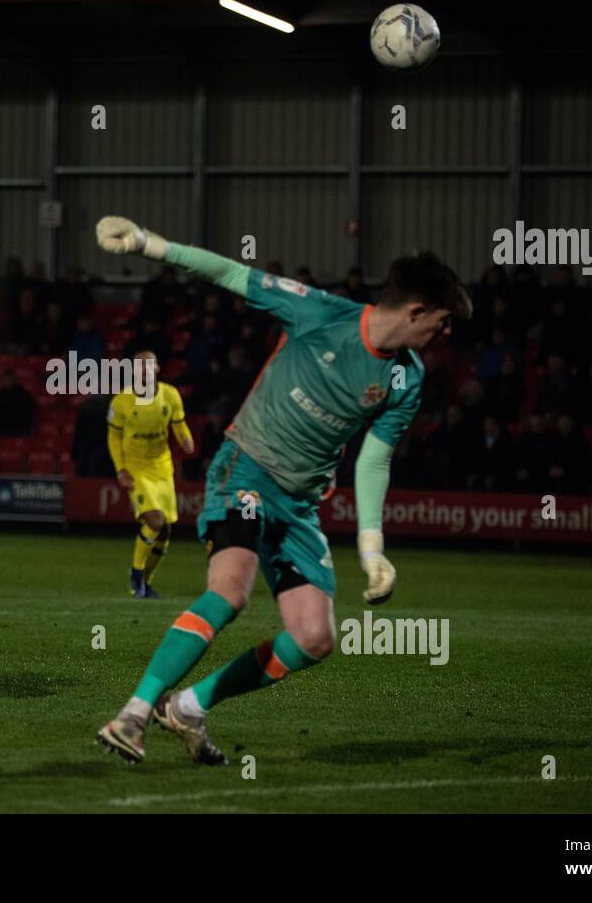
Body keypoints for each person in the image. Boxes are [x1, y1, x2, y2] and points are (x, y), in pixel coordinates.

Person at [92, 216, 470, 765]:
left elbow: (374, 458)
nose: (445, 334)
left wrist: (371, 547)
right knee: (231, 591)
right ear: (415, 311)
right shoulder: (320, 312)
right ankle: (133, 714)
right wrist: (151, 245)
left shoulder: (406, 380)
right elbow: (228, 271)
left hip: (299, 504)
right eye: (442, 322)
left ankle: (191, 706)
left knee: (315, 637)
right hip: (245, 469)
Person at [106, 350, 194, 600]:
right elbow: (113, 436)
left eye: (148, 365)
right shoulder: (122, 401)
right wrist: (120, 469)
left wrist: (186, 439)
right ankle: (136, 574)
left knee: (165, 531)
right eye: (138, 367)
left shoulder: (170, 395)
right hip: (136, 469)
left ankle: (146, 583)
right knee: (154, 521)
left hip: (162, 468)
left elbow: (179, 425)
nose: (143, 370)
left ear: (157, 369)